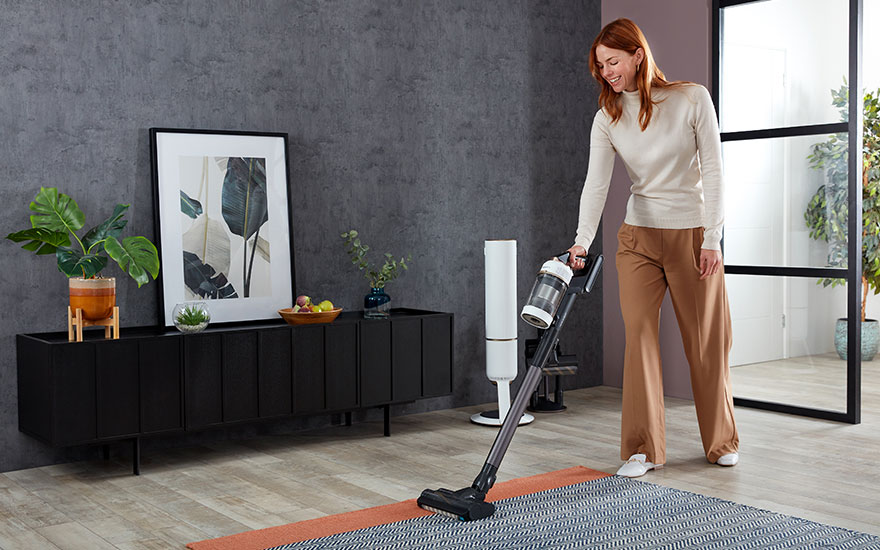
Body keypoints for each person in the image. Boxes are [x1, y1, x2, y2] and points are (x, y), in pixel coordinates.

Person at [565, 18, 739, 478]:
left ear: (638, 54)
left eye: (614, 61)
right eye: (600, 66)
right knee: (639, 338)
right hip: (638, 237)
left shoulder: (691, 98)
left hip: (692, 236)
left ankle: (721, 441)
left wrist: (713, 239)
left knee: (706, 342)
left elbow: (716, 172)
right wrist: (581, 242)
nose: (607, 72)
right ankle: (643, 449)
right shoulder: (607, 118)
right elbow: (596, 186)